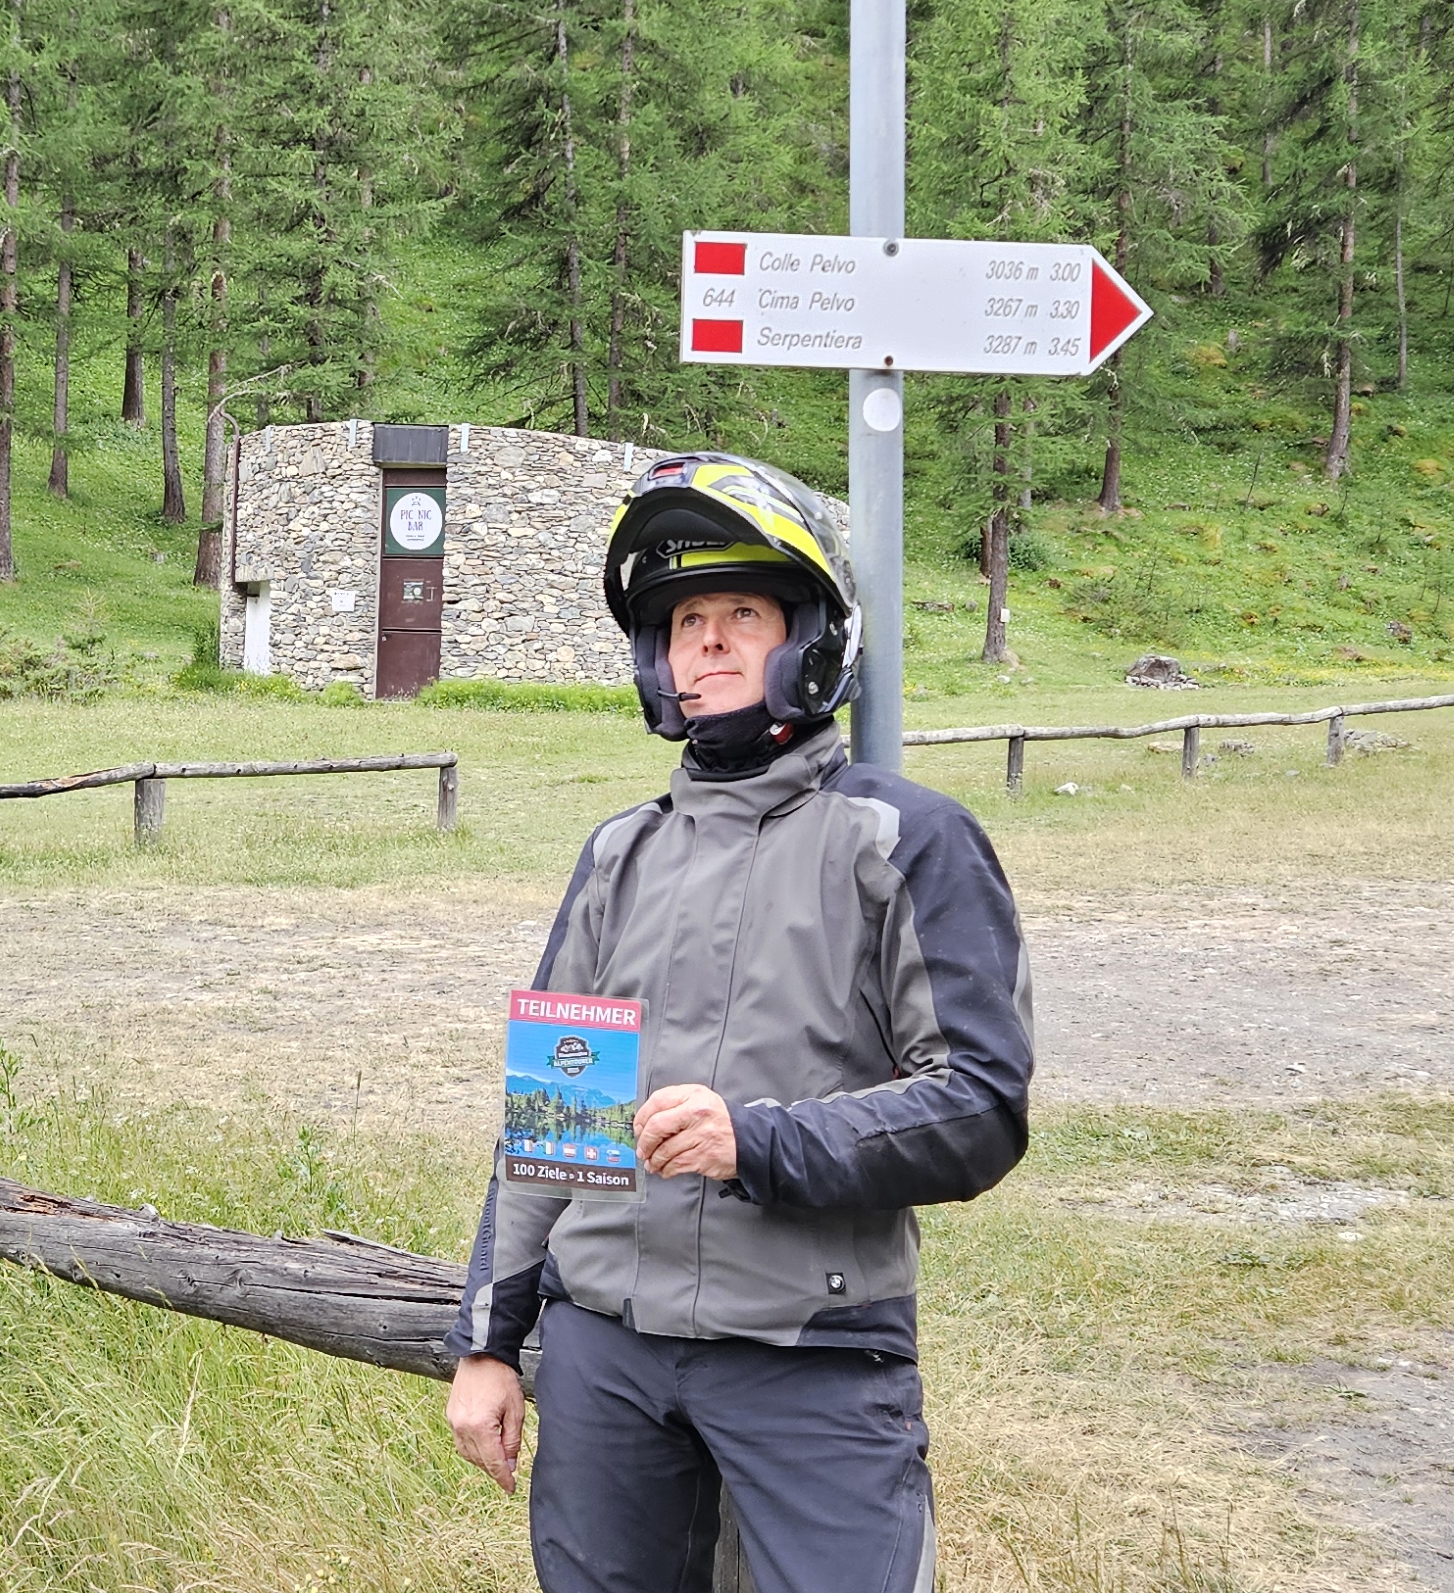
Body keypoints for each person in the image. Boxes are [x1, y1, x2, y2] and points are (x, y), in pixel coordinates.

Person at [444, 453, 1036, 1593]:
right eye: (684, 622)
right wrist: (486, 1342)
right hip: (605, 1352)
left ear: (810, 639)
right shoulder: (620, 854)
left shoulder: (902, 840)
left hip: (810, 1353)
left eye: (743, 615)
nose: (707, 643)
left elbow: (979, 1106)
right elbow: (554, 1118)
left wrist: (758, 1141)